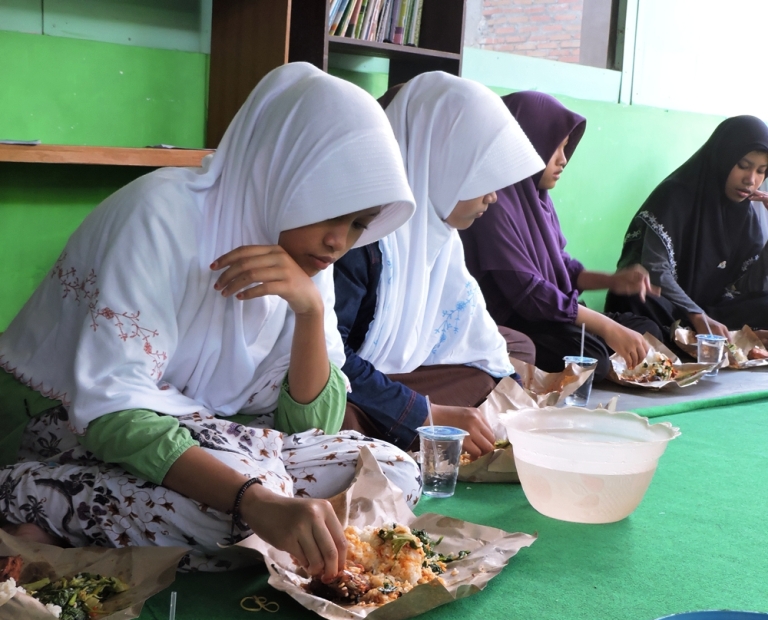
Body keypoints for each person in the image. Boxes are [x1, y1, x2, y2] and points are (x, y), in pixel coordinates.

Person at [0, 63, 420, 576]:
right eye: (330, 209)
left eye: (357, 224)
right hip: (68, 426)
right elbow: (109, 410)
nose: (339, 242)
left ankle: (261, 520)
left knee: (393, 468)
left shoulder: (305, 251)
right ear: (281, 169)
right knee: (239, 518)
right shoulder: (161, 214)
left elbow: (311, 426)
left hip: (219, 438)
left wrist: (308, 309)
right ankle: (32, 495)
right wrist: (257, 501)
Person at [334, 72, 545, 459]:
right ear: (441, 160)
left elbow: (476, 331)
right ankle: (409, 431)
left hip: (399, 372)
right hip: (350, 382)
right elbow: (332, 357)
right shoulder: (360, 233)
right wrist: (422, 412)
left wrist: (521, 400)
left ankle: (415, 428)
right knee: (338, 414)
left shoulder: (439, 231)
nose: (493, 197)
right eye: (482, 177)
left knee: (505, 360)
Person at [460, 91, 662, 382]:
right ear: (526, 144)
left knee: (646, 328)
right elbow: (529, 293)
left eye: (566, 149)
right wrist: (605, 326)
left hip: (550, 315)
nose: (563, 160)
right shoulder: (491, 203)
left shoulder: (537, 198)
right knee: (593, 358)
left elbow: (560, 265)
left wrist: (613, 281)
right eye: (555, 148)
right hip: (518, 319)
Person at [605, 115, 768, 339]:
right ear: (724, 157)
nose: (751, 180)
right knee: (639, 296)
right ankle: (685, 338)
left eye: (761, 171)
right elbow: (654, 269)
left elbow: (752, 287)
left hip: (709, 312)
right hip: (667, 308)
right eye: (743, 166)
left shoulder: (745, 216)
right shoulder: (675, 194)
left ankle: (694, 338)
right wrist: (695, 314)